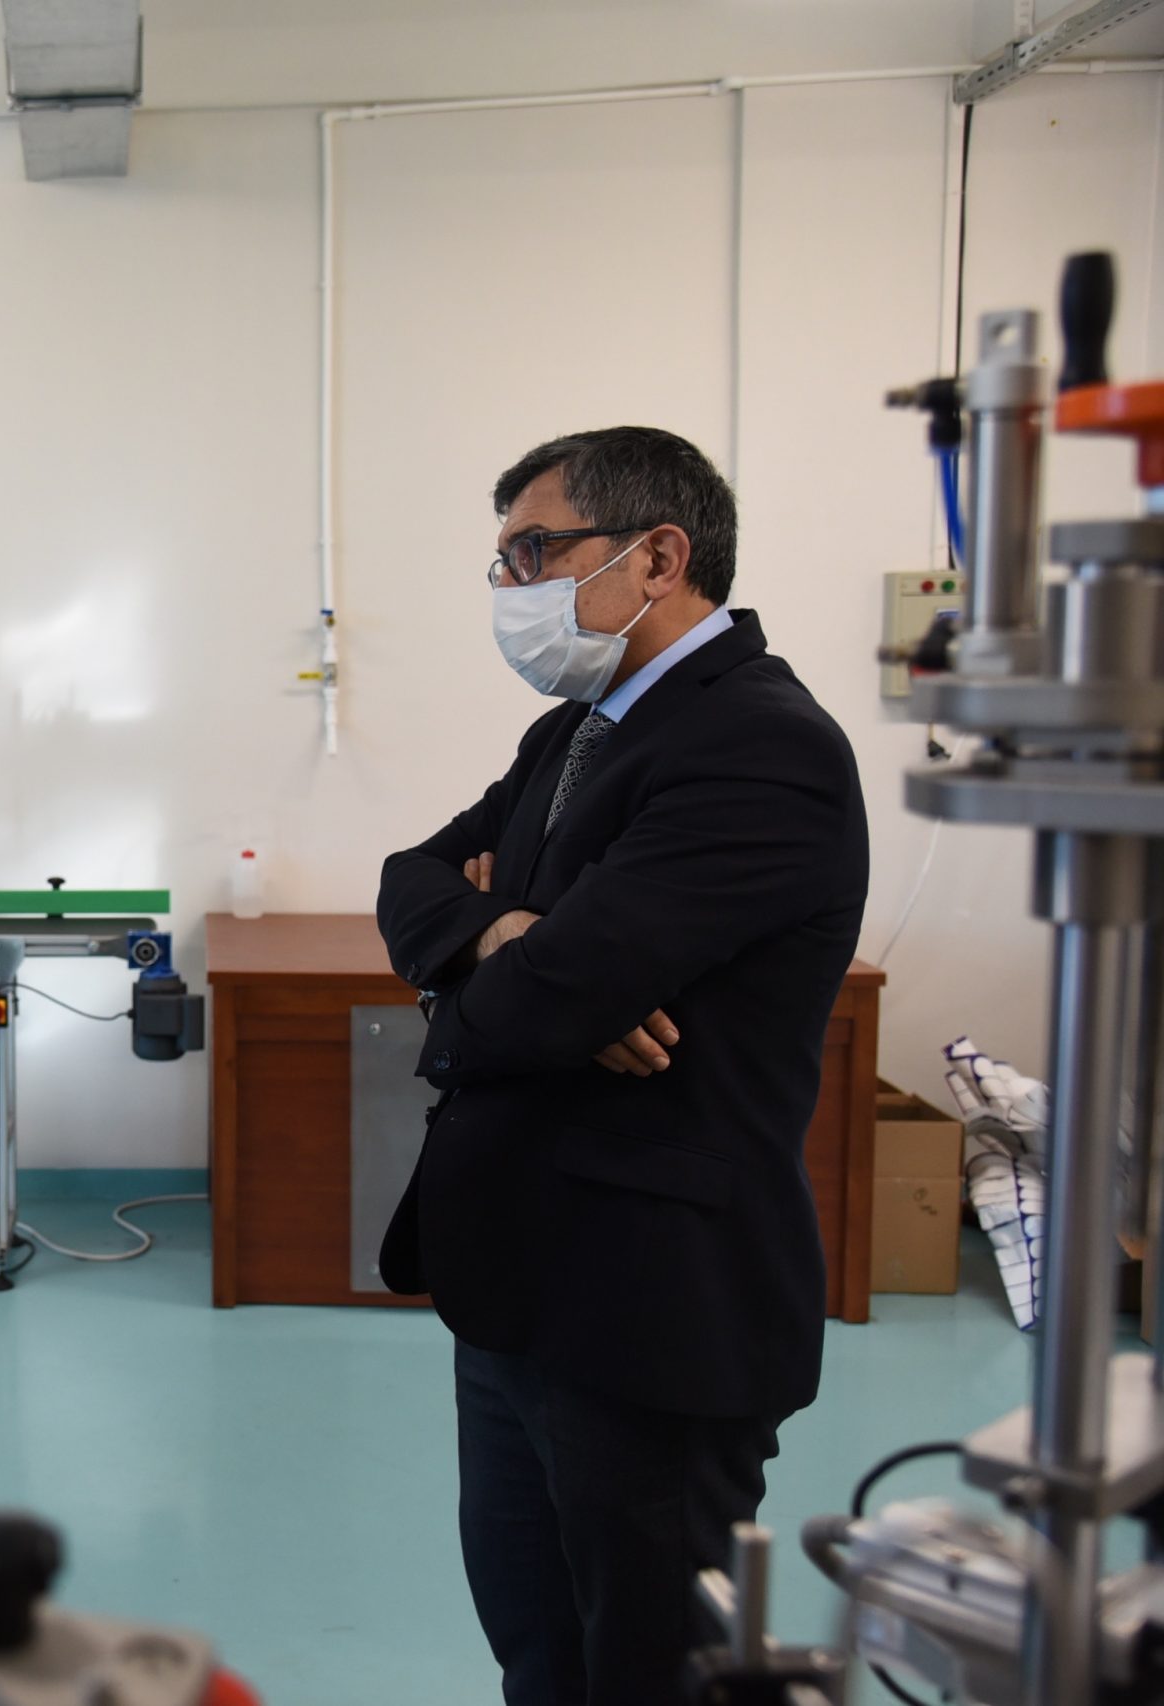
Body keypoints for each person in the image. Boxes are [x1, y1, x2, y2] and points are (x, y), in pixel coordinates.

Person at [374, 427, 868, 1706]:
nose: (509, 586)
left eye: (534, 550)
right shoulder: (572, 732)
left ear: (657, 556)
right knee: (539, 1655)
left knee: (649, 1674)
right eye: (500, 559)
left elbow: (554, 992)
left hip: (648, 1310)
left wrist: (520, 964)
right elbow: (410, 877)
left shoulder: (764, 745)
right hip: (514, 1288)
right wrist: (500, 933)